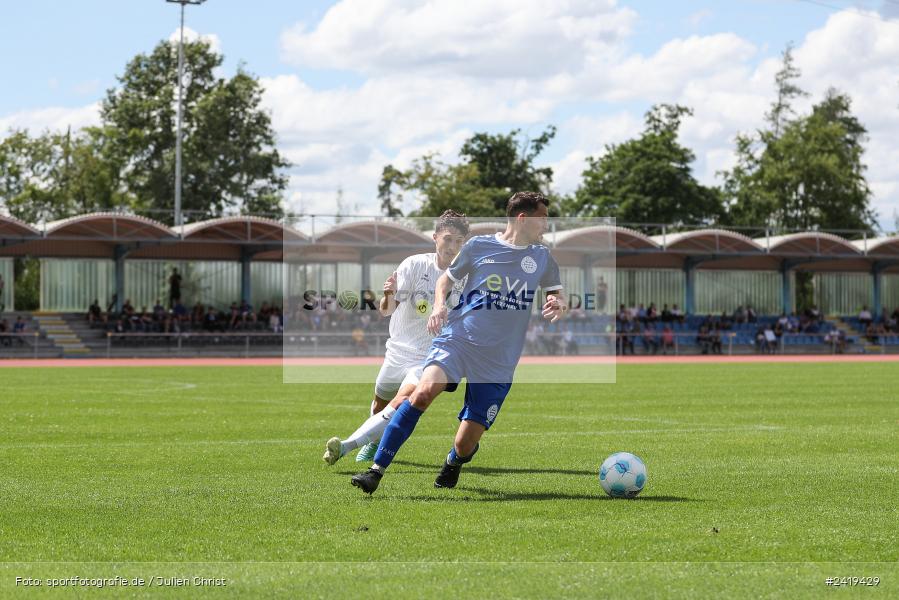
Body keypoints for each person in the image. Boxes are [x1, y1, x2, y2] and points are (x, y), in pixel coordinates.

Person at [350, 191, 565, 495]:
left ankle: (455, 460)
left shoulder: (542, 257)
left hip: (498, 359)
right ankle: (375, 471)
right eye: (543, 218)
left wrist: (558, 304)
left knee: (465, 443)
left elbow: (556, 293)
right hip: (458, 340)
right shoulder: (478, 246)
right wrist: (439, 306)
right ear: (523, 218)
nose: (546, 224)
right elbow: (445, 280)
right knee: (422, 394)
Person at [322, 210, 470, 465]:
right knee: (380, 403)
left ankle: (347, 446)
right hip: (398, 350)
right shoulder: (414, 265)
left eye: (459, 241)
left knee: (403, 400)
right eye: (447, 239)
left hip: (429, 357)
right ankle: (372, 441)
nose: (452, 247)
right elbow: (385, 310)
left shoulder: (468, 275)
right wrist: (389, 294)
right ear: (435, 237)